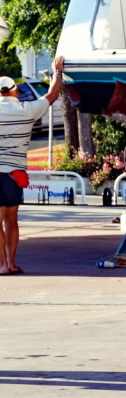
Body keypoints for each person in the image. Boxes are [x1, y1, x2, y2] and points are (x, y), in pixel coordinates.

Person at [0, 54, 64, 274]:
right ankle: (12, 262)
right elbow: (52, 95)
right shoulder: (27, 110)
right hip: (15, 173)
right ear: (14, 91)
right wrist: (57, 71)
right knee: (11, 219)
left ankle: (2, 265)